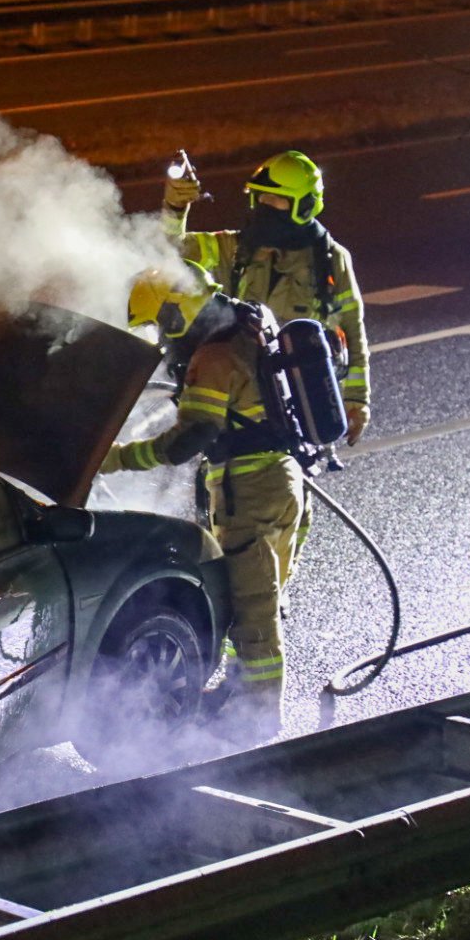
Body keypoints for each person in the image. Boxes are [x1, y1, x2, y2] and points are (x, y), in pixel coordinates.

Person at [101, 262, 304, 738]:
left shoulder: (210, 359)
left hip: (248, 490)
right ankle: (239, 693)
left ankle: (257, 717)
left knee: (253, 610)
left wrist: (114, 460)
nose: (161, 336)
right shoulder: (249, 324)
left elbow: (188, 440)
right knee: (257, 600)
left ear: (176, 313)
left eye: (159, 323)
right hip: (284, 480)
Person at [164, 150, 368, 601]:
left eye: (274, 202)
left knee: (293, 508)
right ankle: (236, 599)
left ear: (302, 206)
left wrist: (357, 401)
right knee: (224, 504)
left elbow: (352, 331)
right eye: (259, 200)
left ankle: (268, 596)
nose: (262, 211)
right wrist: (176, 208)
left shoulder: (331, 260)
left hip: (300, 404)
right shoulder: (236, 247)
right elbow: (169, 254)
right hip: (237, 403)